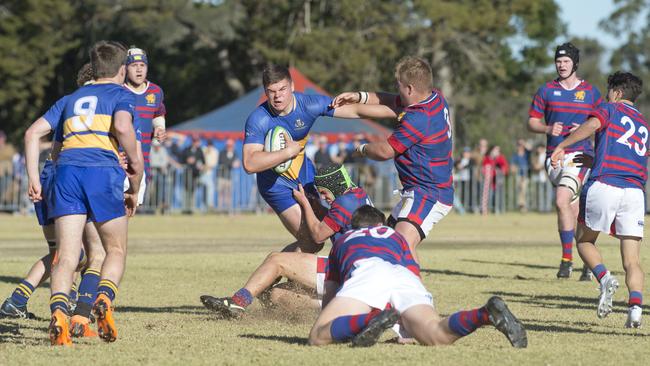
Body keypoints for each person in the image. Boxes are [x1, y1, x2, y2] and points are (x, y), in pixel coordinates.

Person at [308, 205, 527, 348]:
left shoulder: (343, 240)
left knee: (318, 335)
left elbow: (331, 290)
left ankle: (370, 319)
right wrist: (410, 319)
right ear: (380, 225)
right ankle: (485, 314)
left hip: (367, 271)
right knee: (435, 335)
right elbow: (415, 275)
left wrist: (326, 319)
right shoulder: (396, 236)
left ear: (354, 227)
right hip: (403, 275)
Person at [47, 41, 143, 346]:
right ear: (122, 69)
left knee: (67, 255)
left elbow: (56, 147)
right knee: (114, 250)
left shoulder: (72, 98)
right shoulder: (120, 94)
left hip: (67, 173)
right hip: (101, 174)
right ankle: (103, 299)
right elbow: (124, 128)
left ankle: (60, 315)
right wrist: (136, 171)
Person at [1, 65, 105, 334]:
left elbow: (37, 136)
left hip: (49, 176)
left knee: (59, 251)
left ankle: (17, 300)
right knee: (79, 253)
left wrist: (33, 178)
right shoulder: (97, 108)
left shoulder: (66, 103)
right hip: (68, 180)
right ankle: (74, 305)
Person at [199, 164, 371, 317]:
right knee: (277, 295)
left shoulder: (343, 202)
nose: (324, 198)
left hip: (345, 269)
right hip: (358, 279)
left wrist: (304, 202)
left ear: (334, 186)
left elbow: (319, 235)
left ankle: (238, 301)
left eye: (324, 192)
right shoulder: (359, 195)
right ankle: (332, 309)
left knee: (276, 260)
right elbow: (337, 222)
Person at [330, 56, 453, 262]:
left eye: (399, 86)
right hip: (420, 189)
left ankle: (415, 294)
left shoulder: (419, 118)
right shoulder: (434, 98)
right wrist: (359, 96)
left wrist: (361, 148)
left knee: (403, 243)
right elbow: (388, 100)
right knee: (386, 244)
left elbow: (385, 151)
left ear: (410, 89)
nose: (397, 90)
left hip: (429, 192)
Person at [242, 64, 372, 253]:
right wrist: (287, 152)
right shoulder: (259, 118)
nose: (277, 96)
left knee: (319, 231)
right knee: (313, 242)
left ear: (292, 86)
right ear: (265, 92)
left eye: (282, 89)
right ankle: (277, 269)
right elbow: (249, 163)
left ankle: (285, 272)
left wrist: (396, 109)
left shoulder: (308, 105)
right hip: (275, 184)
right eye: (271, 91)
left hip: (305, 175)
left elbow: (356, 111)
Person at [551, 71, 647, 328]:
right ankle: (636, 308)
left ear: (616, 93)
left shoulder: (610, 109)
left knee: (584, 240)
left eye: (608, 92)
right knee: (633, 261)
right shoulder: (644, 124)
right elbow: (631, 157)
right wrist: (597, 160)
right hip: (635, 192)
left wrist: (563, 146)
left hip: (606, 185)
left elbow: (592, 125)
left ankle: (604, 279)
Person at [527, 42, 602, 279]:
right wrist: (548, 128)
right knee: (572, 209)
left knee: (561, 200)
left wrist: (587, 129)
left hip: (580, 154)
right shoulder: (546, 90)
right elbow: (531, 122)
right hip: (554, 157)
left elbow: (603, 123)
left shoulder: (590, 92)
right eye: (558, 61)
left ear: (575, 63)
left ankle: (566, 260)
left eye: (566, 61)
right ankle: (586, 261)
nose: (561, 65)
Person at [217, 138, 240, 211]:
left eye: (231, 146)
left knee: (228, 194)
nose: (230, 147)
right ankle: (220, 209)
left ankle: (228, 209)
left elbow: (237, 162)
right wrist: (232, 164)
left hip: (229, 176)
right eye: (229, 145)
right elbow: (222, 162)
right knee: (221, 193)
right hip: (221, 176)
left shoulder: (234, 153)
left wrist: (236, 164)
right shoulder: (222, 153)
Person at [511, 140, 531, 213]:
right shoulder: (515, 155)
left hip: (526, 175)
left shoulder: (527, 154)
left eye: (521, 145)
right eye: (518, 145)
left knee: (523, 189)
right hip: (519, 175)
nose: (520, 146)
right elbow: (513, 167)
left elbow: (530, 148)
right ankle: (523, 206)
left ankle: (522, 205)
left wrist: (524, 143)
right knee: (521, 190)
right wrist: (514, 169)